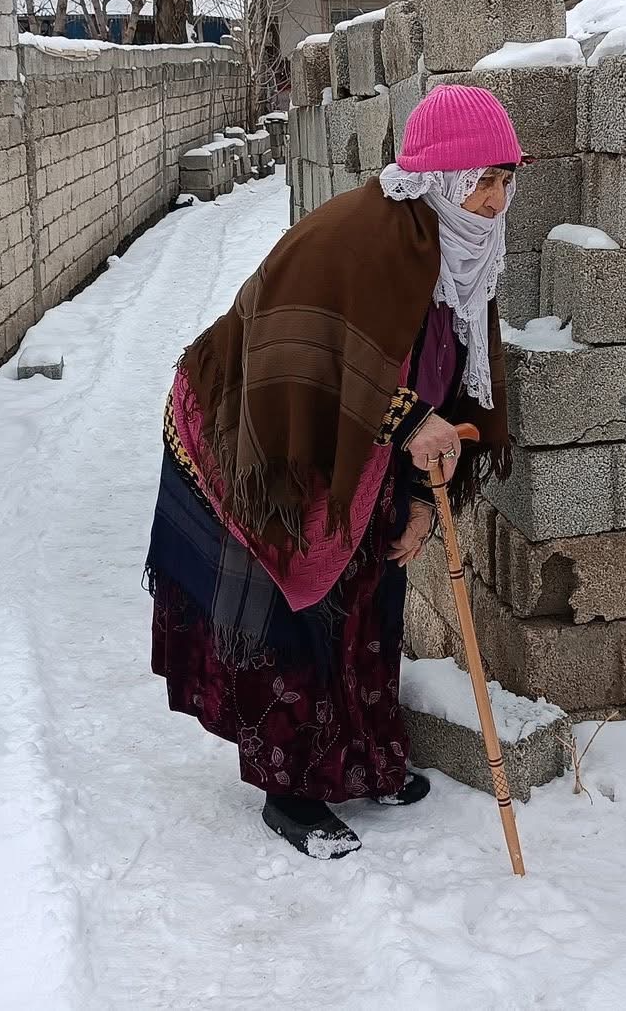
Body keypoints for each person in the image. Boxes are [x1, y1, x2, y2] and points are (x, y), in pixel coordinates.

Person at [147, 85, 520, 859]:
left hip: (362, 446)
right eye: (479, 180)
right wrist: (411, 422)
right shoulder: (362, 238)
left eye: (506, 179)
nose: (493, 199)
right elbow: (314, 363)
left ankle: (366, 758)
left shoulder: (468, 252)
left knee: (369, 585)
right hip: (263, 436)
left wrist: (421, 496)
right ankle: (293, 786)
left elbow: (448, 377)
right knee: (294, 612)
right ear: (436, 181)